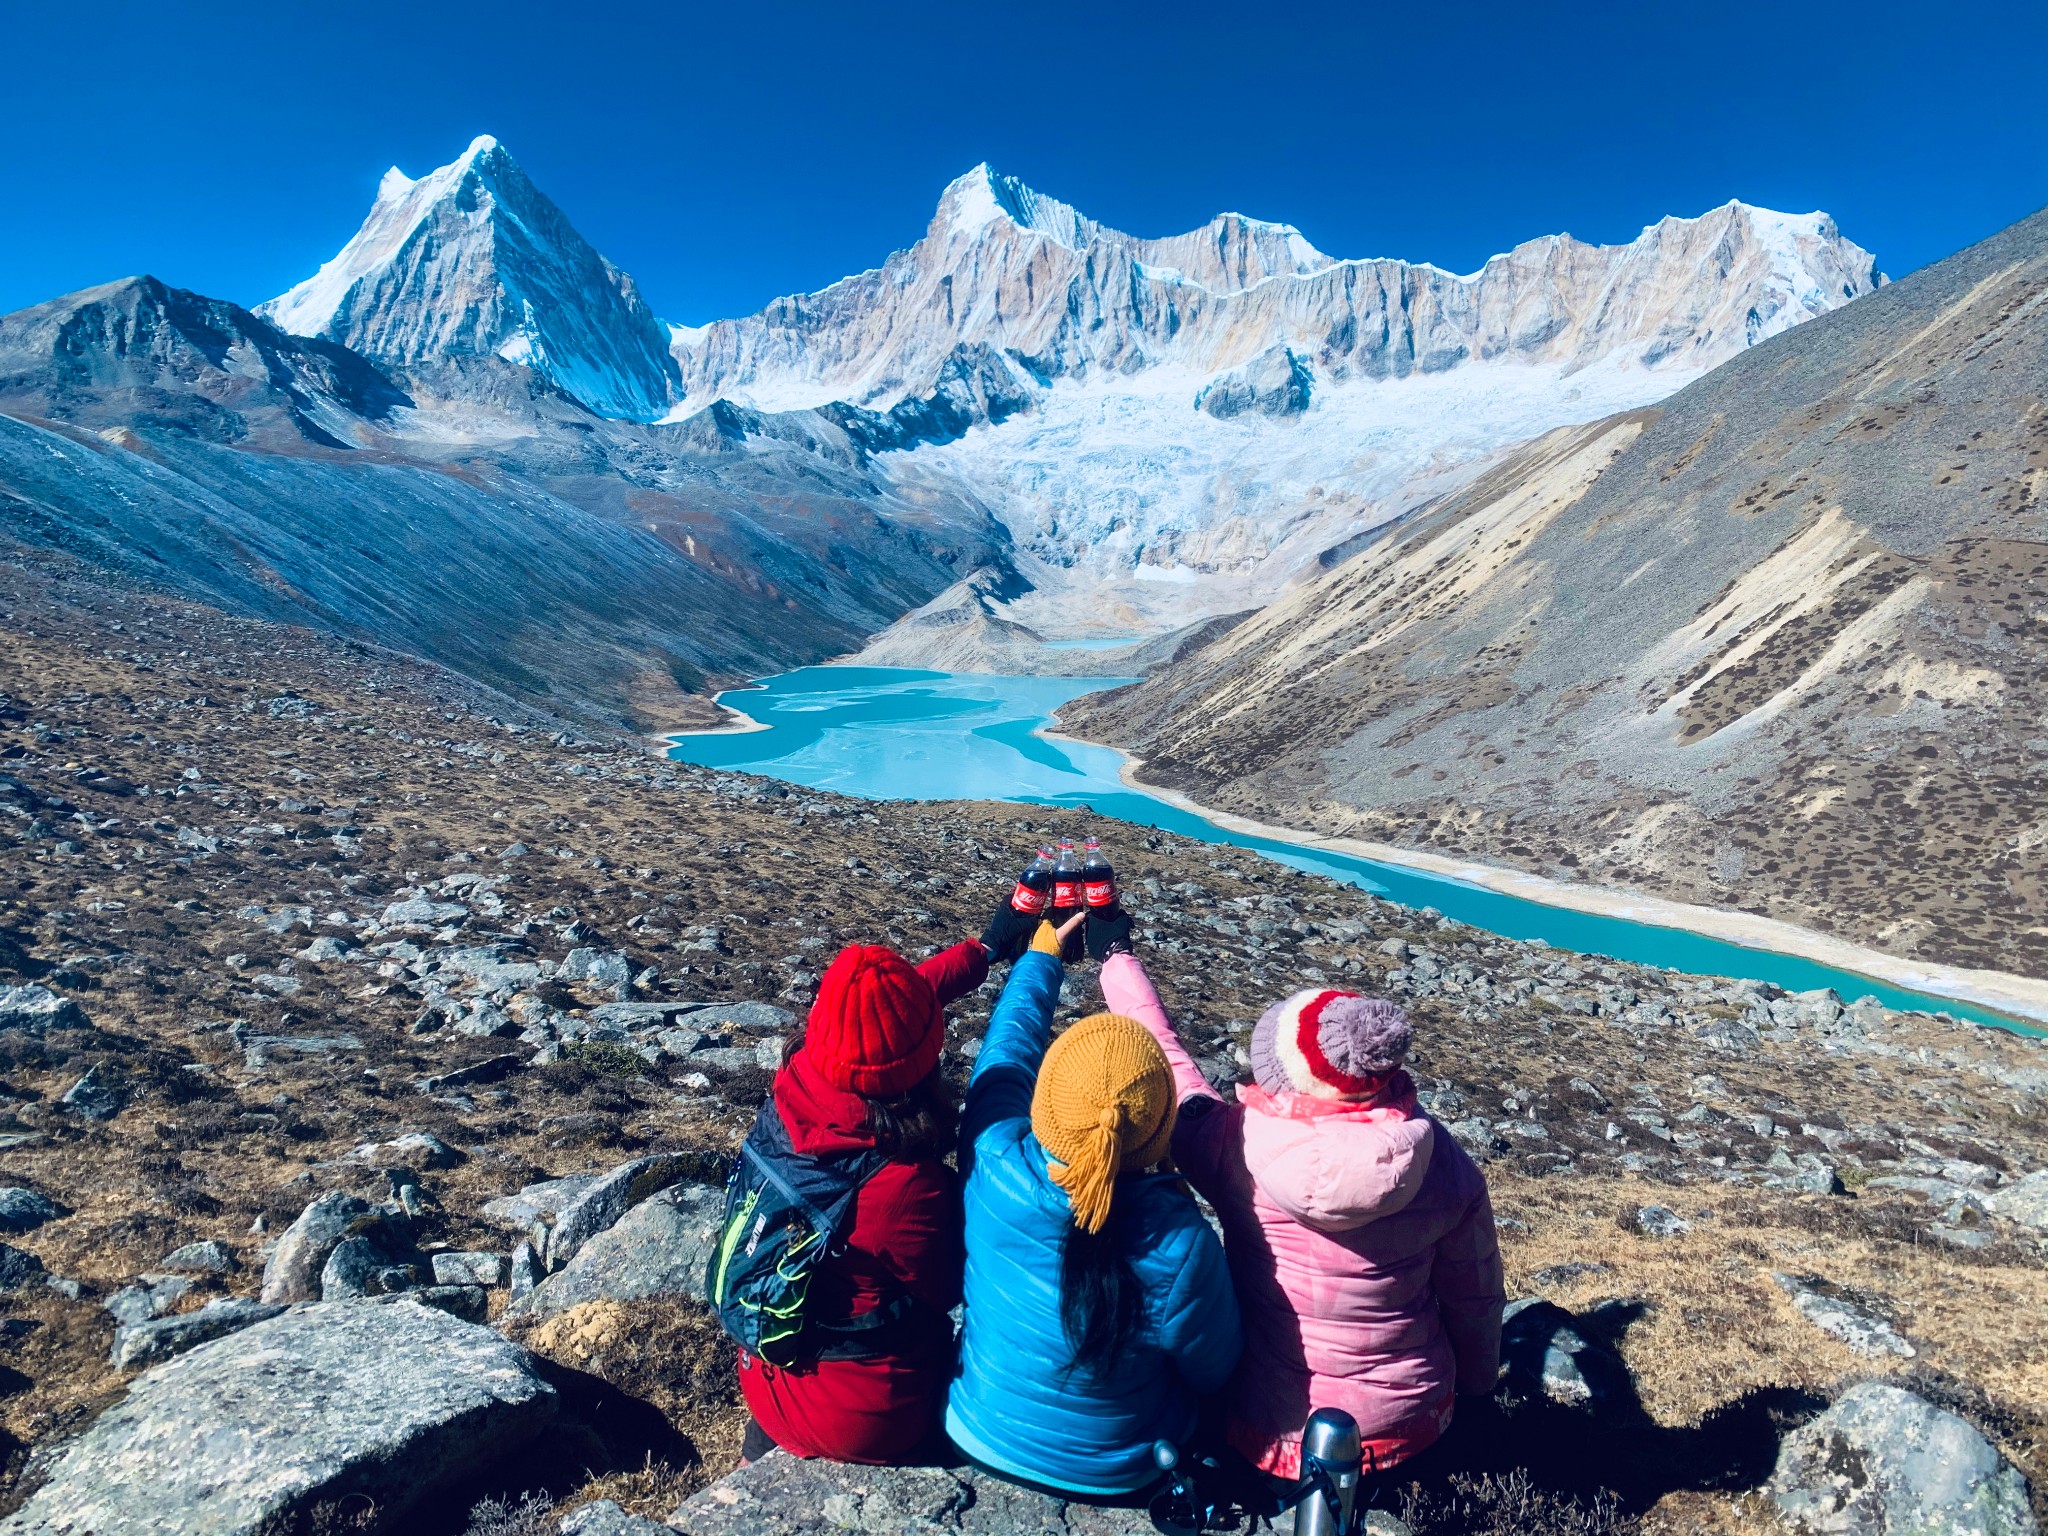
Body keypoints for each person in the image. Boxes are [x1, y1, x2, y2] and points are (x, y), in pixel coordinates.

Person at [1091, 902, 1503, 1484]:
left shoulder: (1230, 1142)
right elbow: (1475, 1298)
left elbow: (1170, 1063)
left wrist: (1115, 957)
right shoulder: (1441, 1162)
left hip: (1269, 1426)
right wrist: (1479, 1390)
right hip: (1411, 1424)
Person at [946, 910, 1242, 1499]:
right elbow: (1216, 1371)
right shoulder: (1181, 1244)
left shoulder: (992, 1160)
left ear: (1047, 1104)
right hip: (1123, 1471)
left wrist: (1041, 957)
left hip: (978, 1433)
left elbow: (1008, 1048)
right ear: (1158, 1128)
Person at [734, 927, 998, 1466]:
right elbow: (954, 1289)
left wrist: (985, 950)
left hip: (765, 1380)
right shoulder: (906, 1189)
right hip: (861, 1421)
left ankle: (748, 1470)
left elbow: (879, 1026)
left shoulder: (796, 1084)